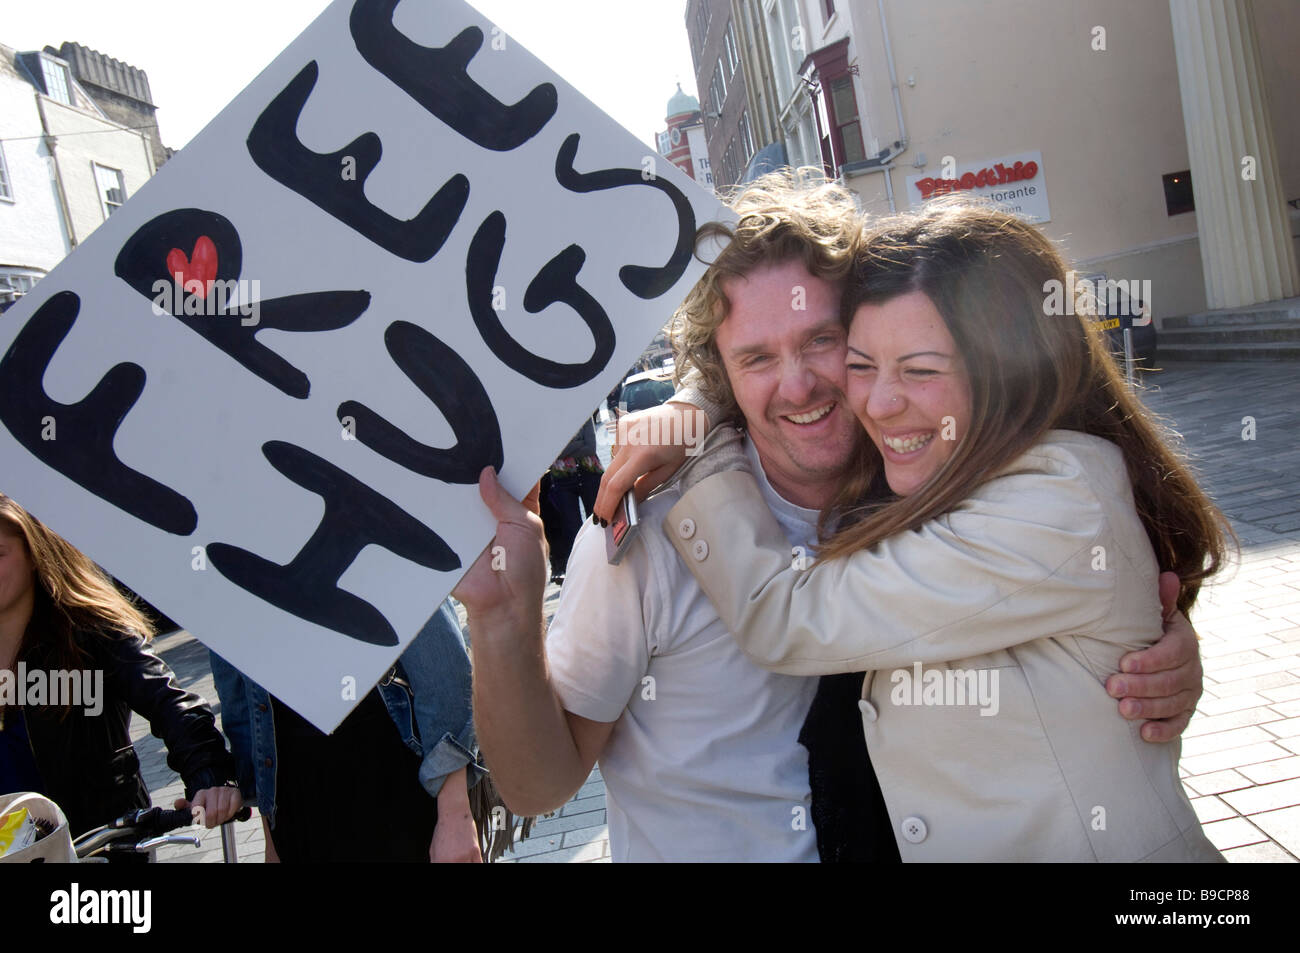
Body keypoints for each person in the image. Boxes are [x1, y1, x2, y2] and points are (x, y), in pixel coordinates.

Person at [457, 171, 1205, 862]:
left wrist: (1143, 648)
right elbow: (537, 787)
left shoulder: (933, 484)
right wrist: (501, 625)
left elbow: (1054, 599)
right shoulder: (647, 529)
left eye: (824, 340)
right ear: (722, 370)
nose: (802, 383)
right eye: (754, 360)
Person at [655, 198, 1230, 861]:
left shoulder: (1057, 502)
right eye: (862, 363)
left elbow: (785, 616)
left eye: (921, 370)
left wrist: (700, 452)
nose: (880, 400)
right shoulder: (918, 476)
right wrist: (698, 394)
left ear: (1007, 369)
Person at [0, 492, 241, 839]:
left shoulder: (92, 633)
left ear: (34, 553)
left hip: (91, 851)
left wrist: (210, 777)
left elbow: (171, 703)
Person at [209, 598, 486, 862]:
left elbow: (442, 670)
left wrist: (454, 813)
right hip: (296, 811)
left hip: (390, 786)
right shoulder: (220, 580)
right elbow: (243, 712)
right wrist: (272, 840)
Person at [538, 420, 605, 585]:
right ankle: (584, 569)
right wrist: (578, 444)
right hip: (562, 478)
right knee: (573, 527)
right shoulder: (549, 421)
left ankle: (602, 562)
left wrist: (565, 448)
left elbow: (590, 447)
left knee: (598, 520)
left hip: (590, 473)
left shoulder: (584, 415)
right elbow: (551, 452)